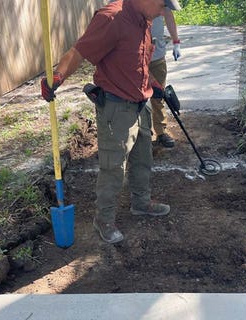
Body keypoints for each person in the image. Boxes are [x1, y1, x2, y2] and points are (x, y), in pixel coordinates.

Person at [40, 0, 182, 244]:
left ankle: (141, 203)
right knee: (113, 167)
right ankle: (103, 220)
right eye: (161, 6)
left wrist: (157, 88)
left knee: (142, 158)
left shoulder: (144, 19)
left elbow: (139, 63)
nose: (163, 12)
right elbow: (79, 52)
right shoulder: (111, 19)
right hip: (116, 108)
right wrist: (57, 76)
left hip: (140, 102)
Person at [149, 8, 181, 148]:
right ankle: (138, 134)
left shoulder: (161, 3)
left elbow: (168, 14)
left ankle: (161, 132)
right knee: (134, 98)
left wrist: (176, 42)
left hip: (157, 57)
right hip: (133, 58)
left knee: (158, 96)